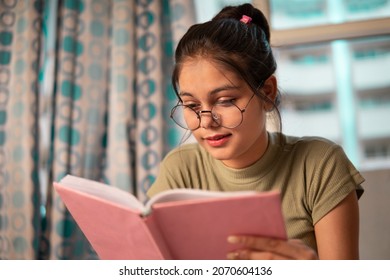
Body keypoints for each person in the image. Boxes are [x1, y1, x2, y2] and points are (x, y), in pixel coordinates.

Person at [147, 3, 364, 260]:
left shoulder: (320, 166)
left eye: (225, 100)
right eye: (192, 105)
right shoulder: (179, 171)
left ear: (267, 92)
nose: (206, 122)